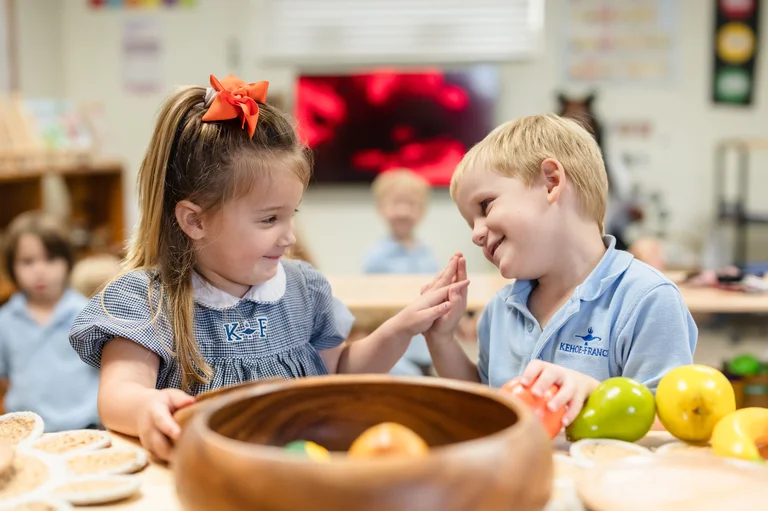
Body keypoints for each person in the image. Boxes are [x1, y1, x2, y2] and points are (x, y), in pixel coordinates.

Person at [69, 74, 465, 461]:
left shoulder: (302, 289)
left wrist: (403, 325)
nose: (289, 237)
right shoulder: (146, 301)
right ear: (195, 221)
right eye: (268, 220)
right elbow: (118, 395)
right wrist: (146, 408)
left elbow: (340, 369)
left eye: (291, 215)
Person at [421, 115, 696, 426]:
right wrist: (442, 340)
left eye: (485, 207)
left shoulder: (648, 300)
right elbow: (488, 407)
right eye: (470, 224)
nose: (476, 234)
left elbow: (674, 424)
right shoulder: (499, 310)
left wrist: (594, 394)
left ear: (551, 181)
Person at [0, 211, 99, 431]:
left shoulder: (89, 314)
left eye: (51, 259)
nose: (39, 270)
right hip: (26, 433)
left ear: (68, 262)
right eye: (27, 261)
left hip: (86, 427)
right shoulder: (5, 321)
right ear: (11, 267)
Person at [363, 169, 439, 375]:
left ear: (423, 211)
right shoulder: (377, 257)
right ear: (381, 208)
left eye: (412, 204)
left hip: (426, 350)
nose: (404, 211)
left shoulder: (427, 254)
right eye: (397, 203)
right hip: (396, 354)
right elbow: (371, 311)